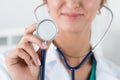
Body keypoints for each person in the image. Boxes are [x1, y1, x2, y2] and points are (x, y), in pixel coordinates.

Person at [5, 0, 120, 80]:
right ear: (46, 1)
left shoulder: (116, 75)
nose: (72, 2)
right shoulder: (9, 67)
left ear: (101, 2)